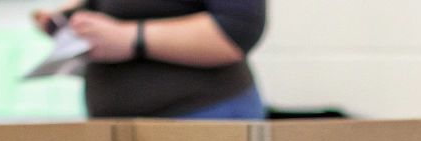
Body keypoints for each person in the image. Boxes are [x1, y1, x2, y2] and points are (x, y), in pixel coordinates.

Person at [31, 1, 267, 119]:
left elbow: (236, 30)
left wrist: (129, 37)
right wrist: (69, 22)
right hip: (117, 122)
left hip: (201, 115)